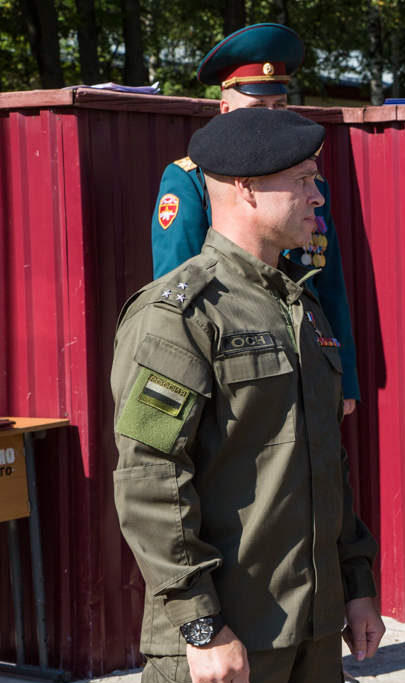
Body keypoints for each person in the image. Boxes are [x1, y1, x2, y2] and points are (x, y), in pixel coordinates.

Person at [112, 108, 384, 683]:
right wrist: (201, 625)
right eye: (304, 181)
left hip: (311, 639)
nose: (319, 197)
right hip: (225, 642)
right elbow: (150, 481)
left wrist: (357, 585)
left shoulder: (301, 308)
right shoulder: (180, 314)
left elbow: (327, 464)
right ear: (246, 188)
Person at [150, 23, 361, 419]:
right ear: (225, 111)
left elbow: (327, 280)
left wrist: (343, 374)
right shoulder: (189, 180)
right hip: (234, 367)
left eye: (280, 108)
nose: (272, 121)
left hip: (307, 360)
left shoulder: (311, 185)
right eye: (257, 110)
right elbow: (176, 288)